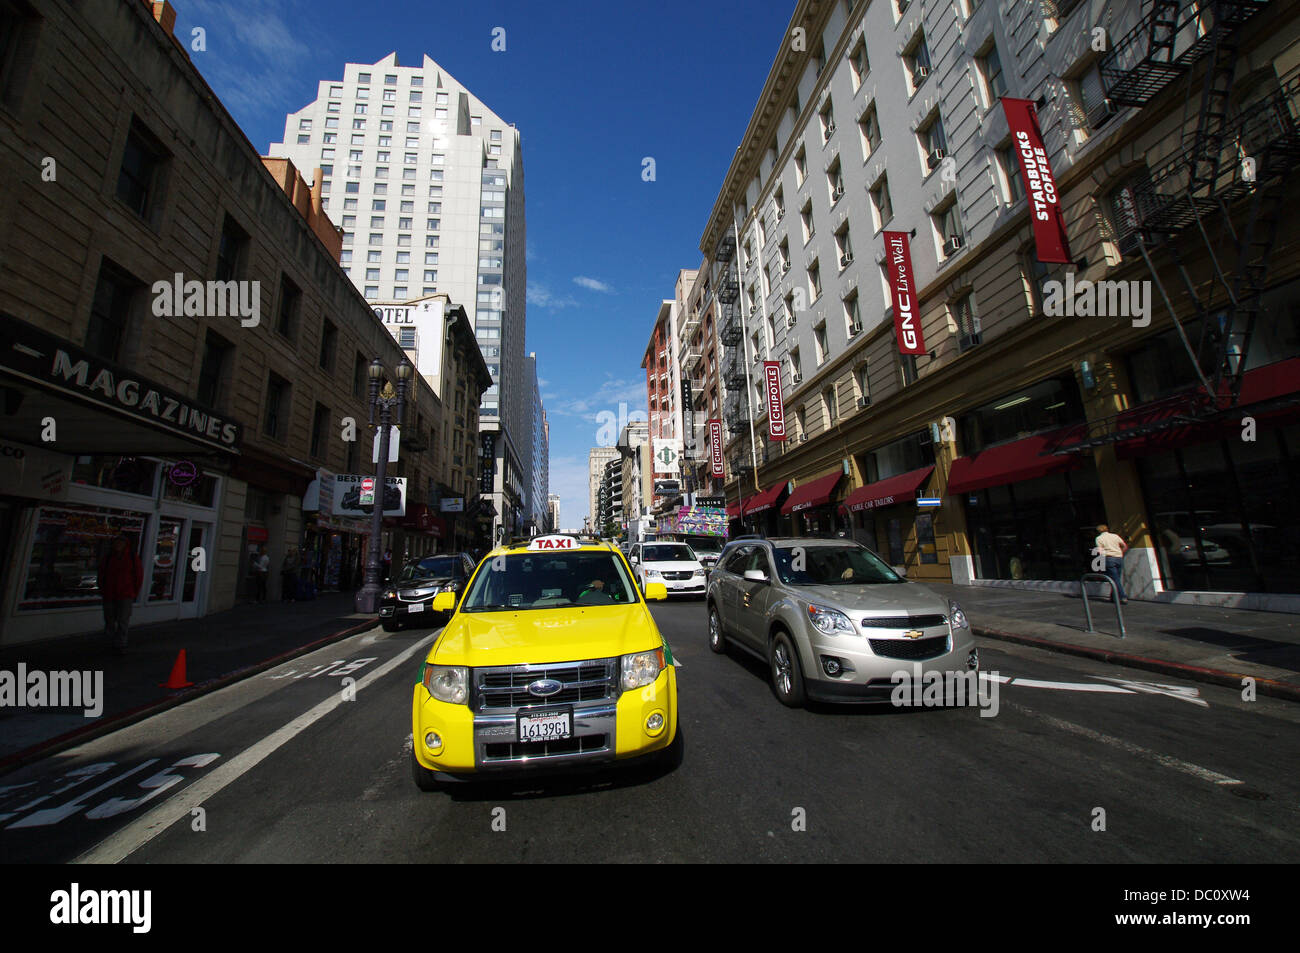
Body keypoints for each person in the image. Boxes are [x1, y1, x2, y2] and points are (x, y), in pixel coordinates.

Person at [98, 534, 143, 654]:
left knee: (123, 620)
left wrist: (133, 592)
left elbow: (138, 576)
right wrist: (103, 589)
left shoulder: (132, 558)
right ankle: (109, 641)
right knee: (109, 619)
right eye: (117, 543)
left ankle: (120, 644)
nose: (118, 545)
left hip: (125, 594)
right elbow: (101, 574)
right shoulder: (108, 558)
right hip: (109, 594)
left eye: (121, 543)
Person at [1094, 523, 1129, 604]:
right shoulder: (1115, 536)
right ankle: (1113, 597)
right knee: (1116, 579)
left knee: (1115, 579)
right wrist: (1120, 553)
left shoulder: (1099, 538)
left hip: (1109, 558)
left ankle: (1122, 596)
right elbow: (1124, 546)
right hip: (1119, 558)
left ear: (1098, 531)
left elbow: (1100, 552)